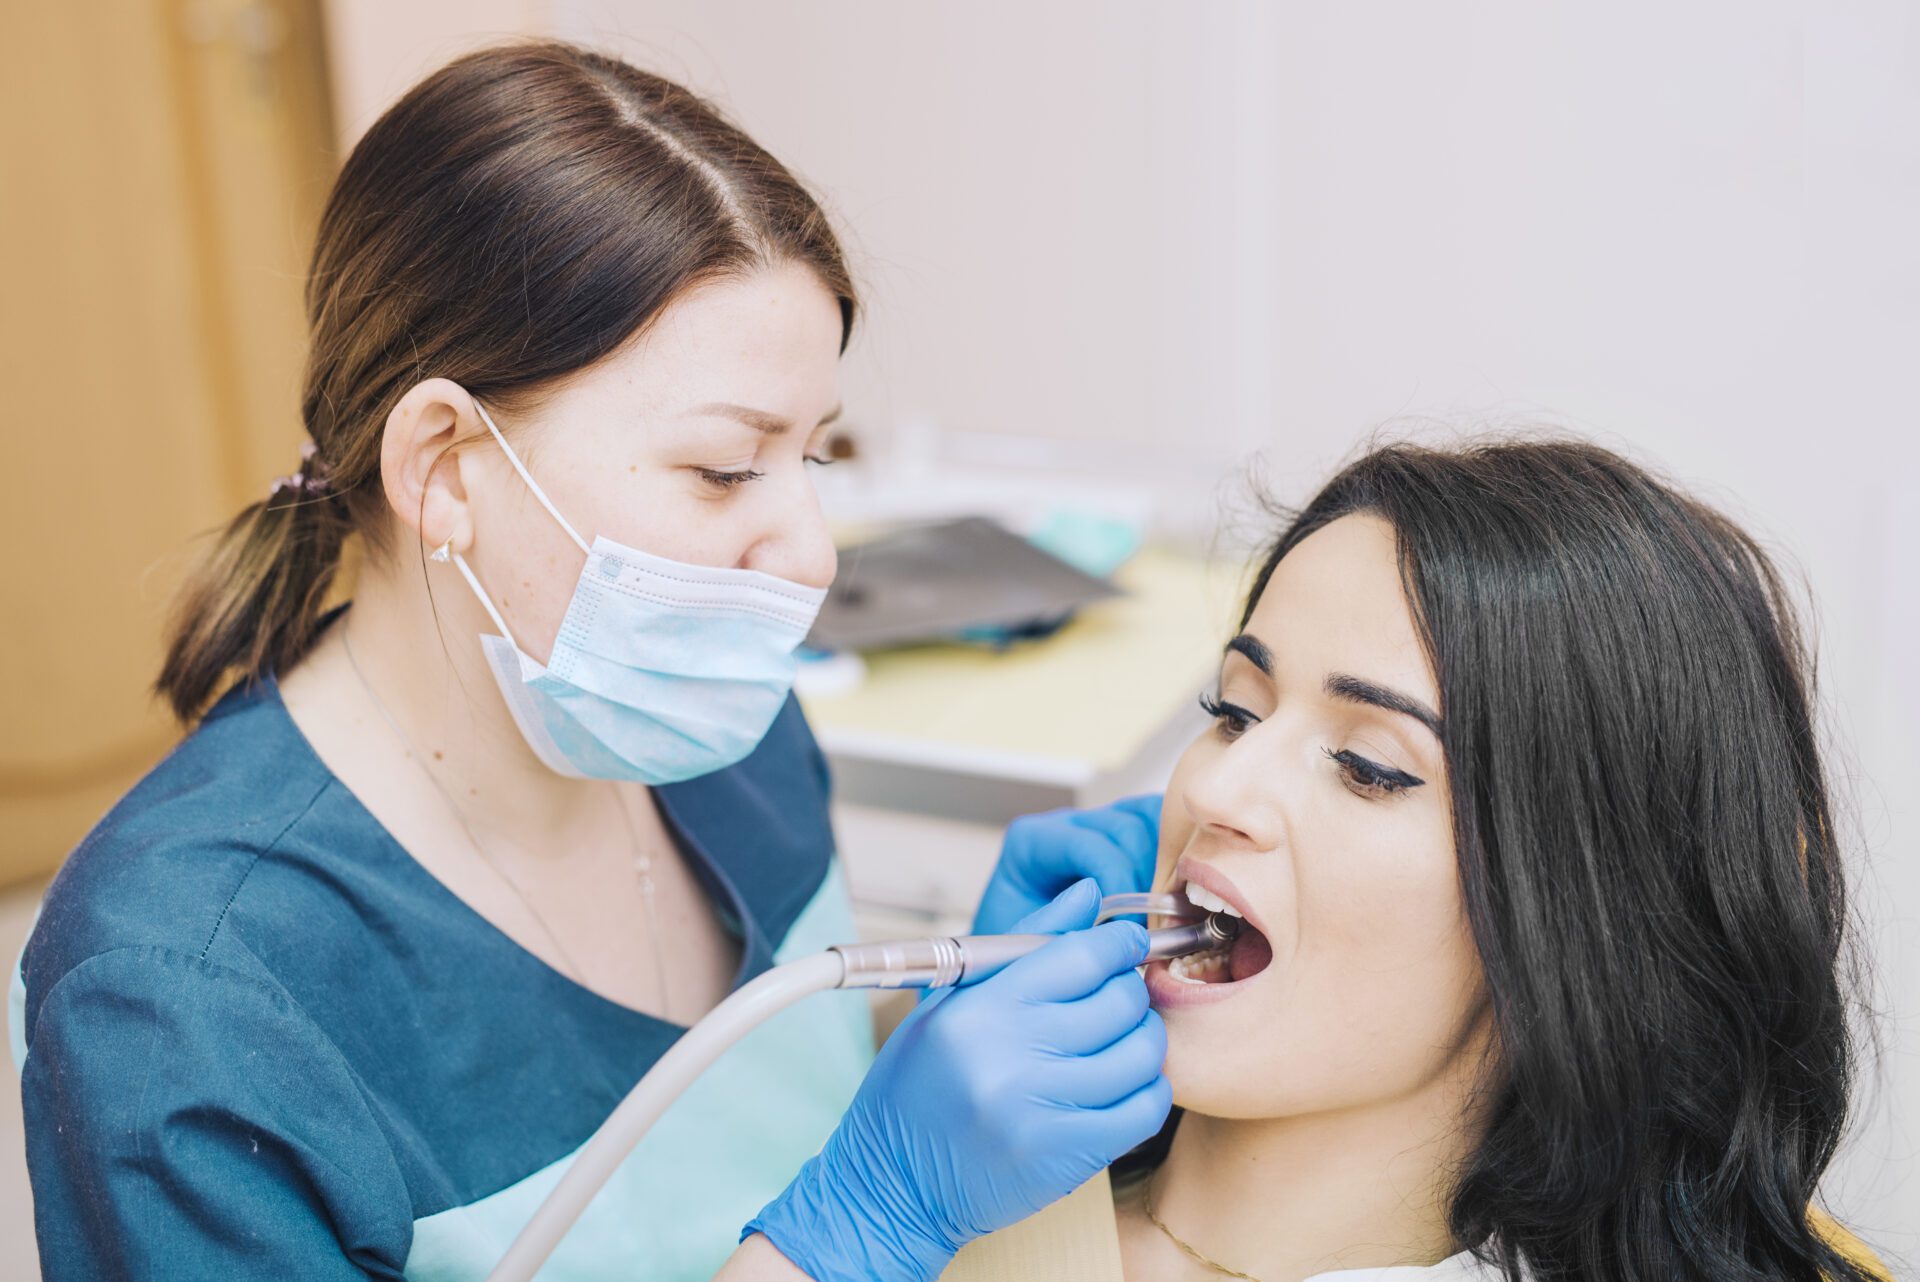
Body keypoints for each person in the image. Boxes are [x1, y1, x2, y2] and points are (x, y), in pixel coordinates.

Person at [10, 41, 1169, 1282]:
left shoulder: (721, 729)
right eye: (726, 469)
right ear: (445, 467)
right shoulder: (182, 995)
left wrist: (944, 1024)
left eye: (815, 459)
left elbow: (748, 1108)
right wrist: (860, 1226)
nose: (811, 556)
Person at [940, 439, 1889, 1282]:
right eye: (1234, 713)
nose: (1218, 793)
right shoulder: (941, 1193)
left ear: (1581, 922)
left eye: (1369, 767)